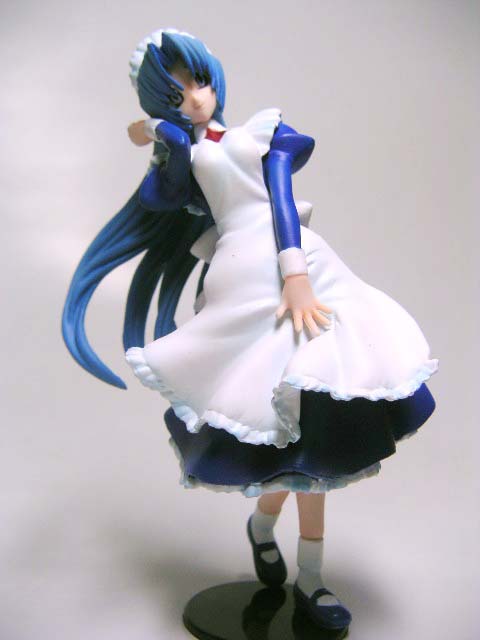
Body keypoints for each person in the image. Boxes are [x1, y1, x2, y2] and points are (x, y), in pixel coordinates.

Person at [63, 28, 438, 630]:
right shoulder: (187, 152)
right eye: (175, 93)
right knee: (269, 419)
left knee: (316, 416)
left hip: (295, 265)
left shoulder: (260, 133)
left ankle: (305, 571)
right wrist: (159, 134)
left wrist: (296, 272)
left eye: (198, 81)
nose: (194, 97)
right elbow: (162, 195)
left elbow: (281, 199)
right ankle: (271, 535)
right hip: (240, 275)